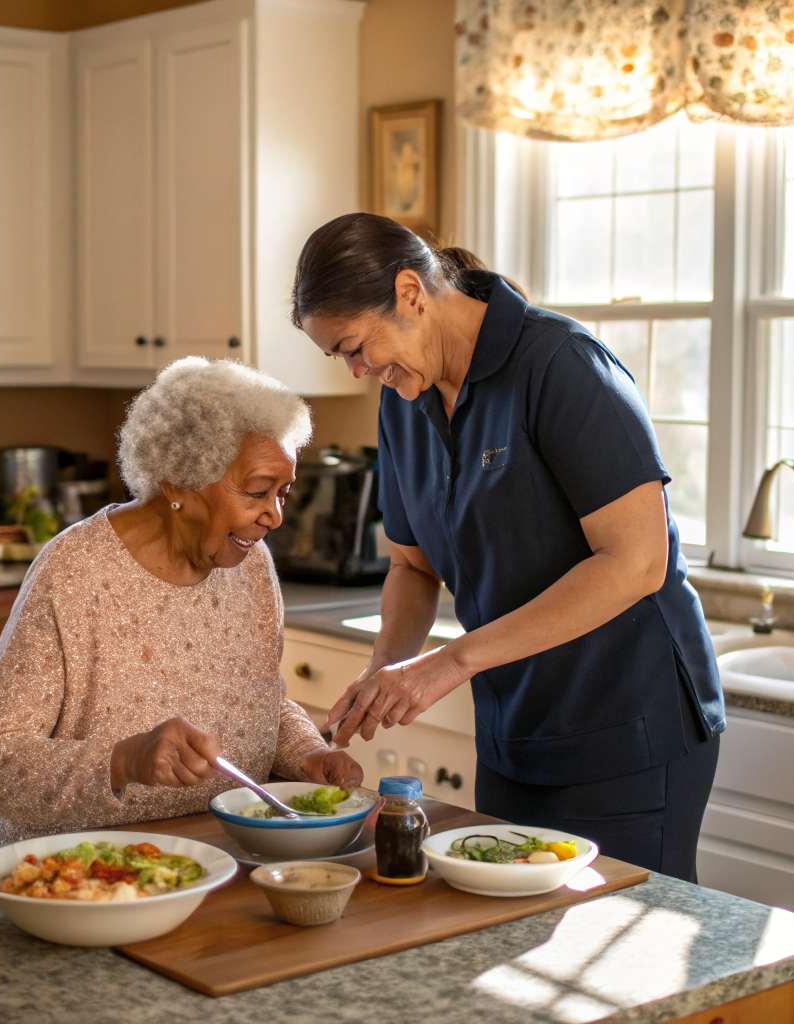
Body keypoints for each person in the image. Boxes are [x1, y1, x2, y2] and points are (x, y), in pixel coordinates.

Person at [291, 213, 724, 879]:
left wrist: (450, 662)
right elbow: (411, 565)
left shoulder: (560, 364)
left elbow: (636, 562)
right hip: (512, 734)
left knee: (617, 931)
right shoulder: (403, 397)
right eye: (339, 357)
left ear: (410, 292)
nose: (356, 371)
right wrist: (385, 669)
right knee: (510, 928)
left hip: (624, 729)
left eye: (355, 347)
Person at [0, 357, 361, 845]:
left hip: (225, 855)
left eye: (284, 492)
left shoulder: (250, 563)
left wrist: (309, 755)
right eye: (258, 491)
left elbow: (262, 705)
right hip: (85, 867)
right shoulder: (74, 571)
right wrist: (124, 761)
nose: (274, 516)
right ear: (179, 482)